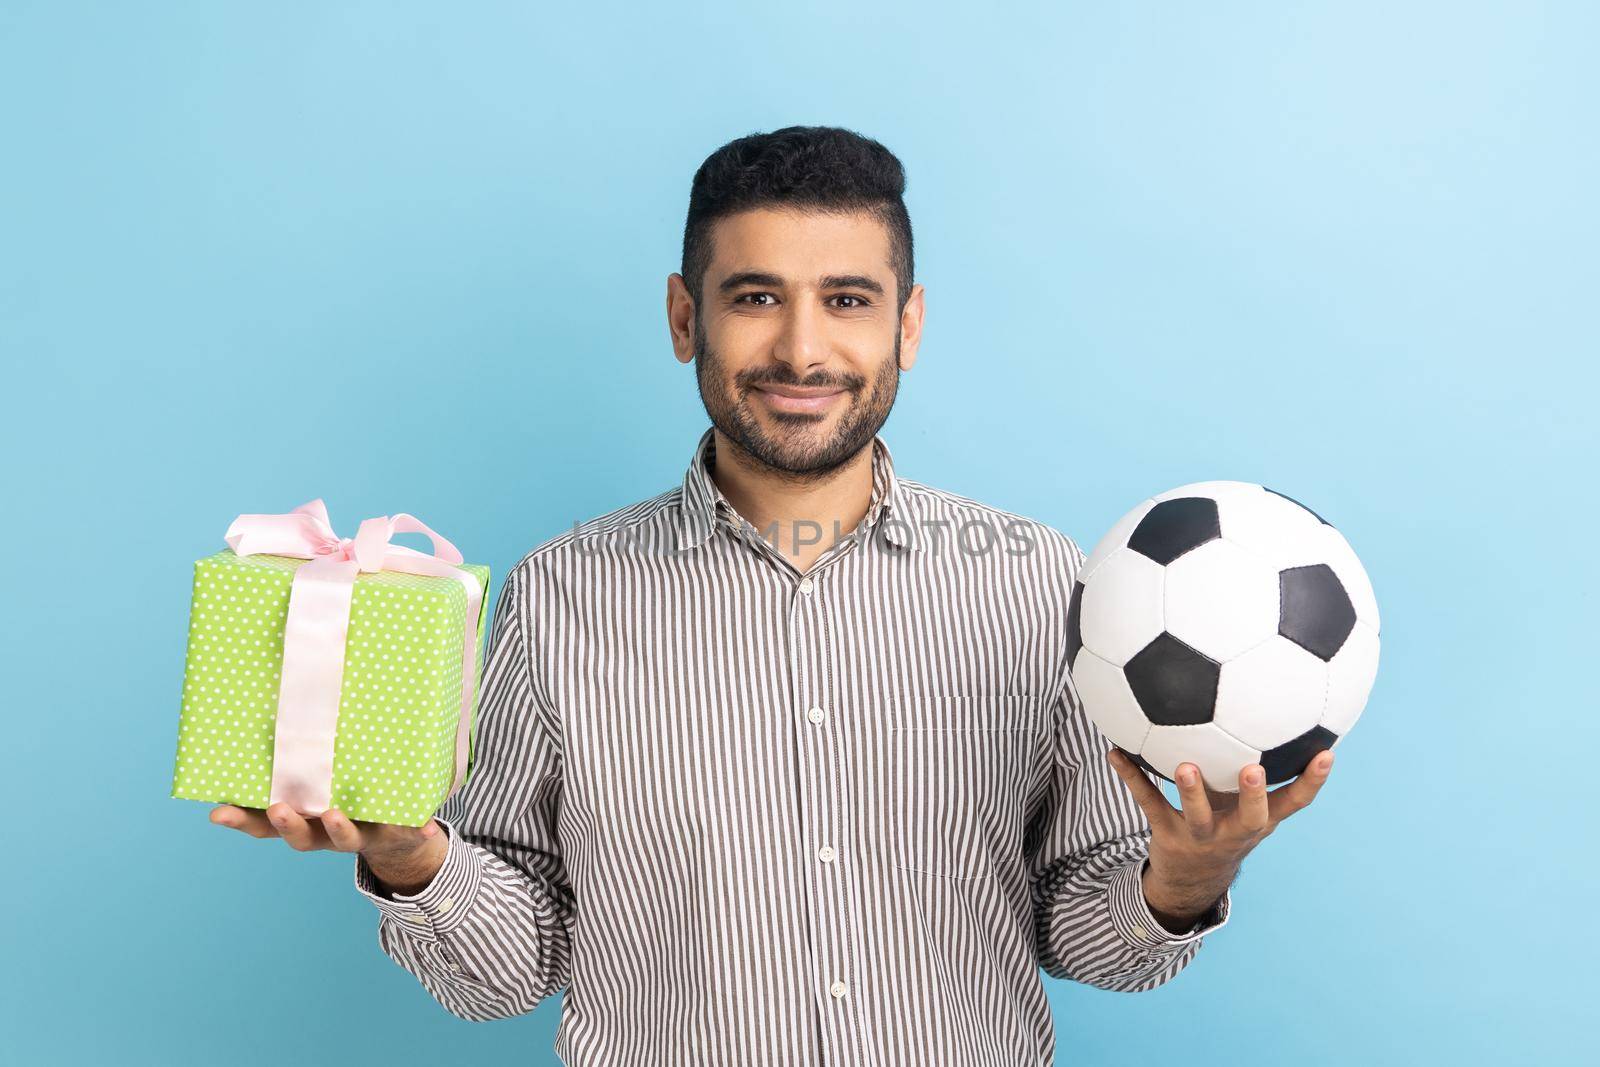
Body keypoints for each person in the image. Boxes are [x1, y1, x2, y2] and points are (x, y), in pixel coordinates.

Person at [211, 125, 1334, 1066]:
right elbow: (510, 973)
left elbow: (1089, 942)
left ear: (907, 323)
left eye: (846, 298)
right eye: (755, 296)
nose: (802, 347)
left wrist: (1183, 878)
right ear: (683, 316)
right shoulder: (562, 595)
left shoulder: (1037, 582)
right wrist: (410, 854)